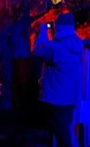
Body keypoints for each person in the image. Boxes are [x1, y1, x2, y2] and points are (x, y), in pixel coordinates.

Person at [33, 12, 83, 147]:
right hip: (69, 98)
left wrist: (43, 32)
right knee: (65, 131)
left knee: (60, 134)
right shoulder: (76, 43)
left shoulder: (56, 48)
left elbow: (38, 50)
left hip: (55, 98)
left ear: (58, 27)